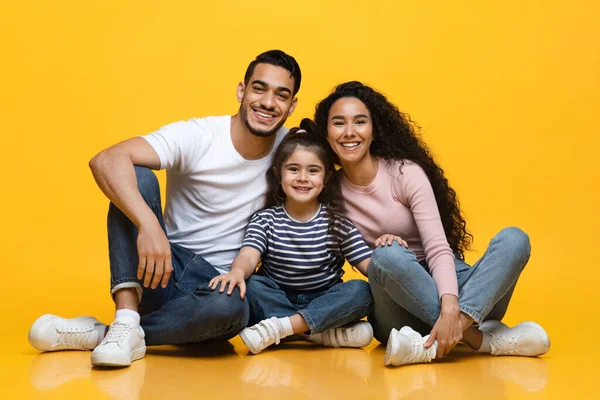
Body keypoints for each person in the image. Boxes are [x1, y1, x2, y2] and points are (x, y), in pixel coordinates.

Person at [27, 50, 302, 367]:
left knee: (233, 311)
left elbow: (344, 160)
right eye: (259, 88)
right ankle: (127, 315)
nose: (268, 103)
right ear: (242, 91)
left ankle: (112, 332)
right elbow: (106, 160)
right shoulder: (199, 136)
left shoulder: (293, 151)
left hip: (221, 290)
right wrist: (149, 225)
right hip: (162, 269)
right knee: (137, 176)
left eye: (281, 95)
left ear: (292, 105)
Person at [313, 81, 550, 367]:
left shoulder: (404, 173)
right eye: (338, 123)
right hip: (395, 306)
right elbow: (360, 262)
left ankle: (440, 338)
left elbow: (438, 248)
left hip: (453, 285)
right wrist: (386, 259)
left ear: (374, 130)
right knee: (387, 256)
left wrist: (451, 306)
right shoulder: (327, 193)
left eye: (360, 122)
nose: (349, 132)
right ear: (326, 134)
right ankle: (481, 340)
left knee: (515, 239)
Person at [208, 120, 386, 354]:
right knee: (251, 286)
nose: (303, 178)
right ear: (278, 175)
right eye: (293, 169)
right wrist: (237, 272)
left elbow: (368, 267)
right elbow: (248, 256)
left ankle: (286, 328)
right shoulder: (265, 220)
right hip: (278, 297)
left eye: (313, 171)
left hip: (324, 299)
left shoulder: (337, 223)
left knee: (361, 291)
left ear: (326, 178)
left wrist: (390, 257)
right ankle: (316, 333)